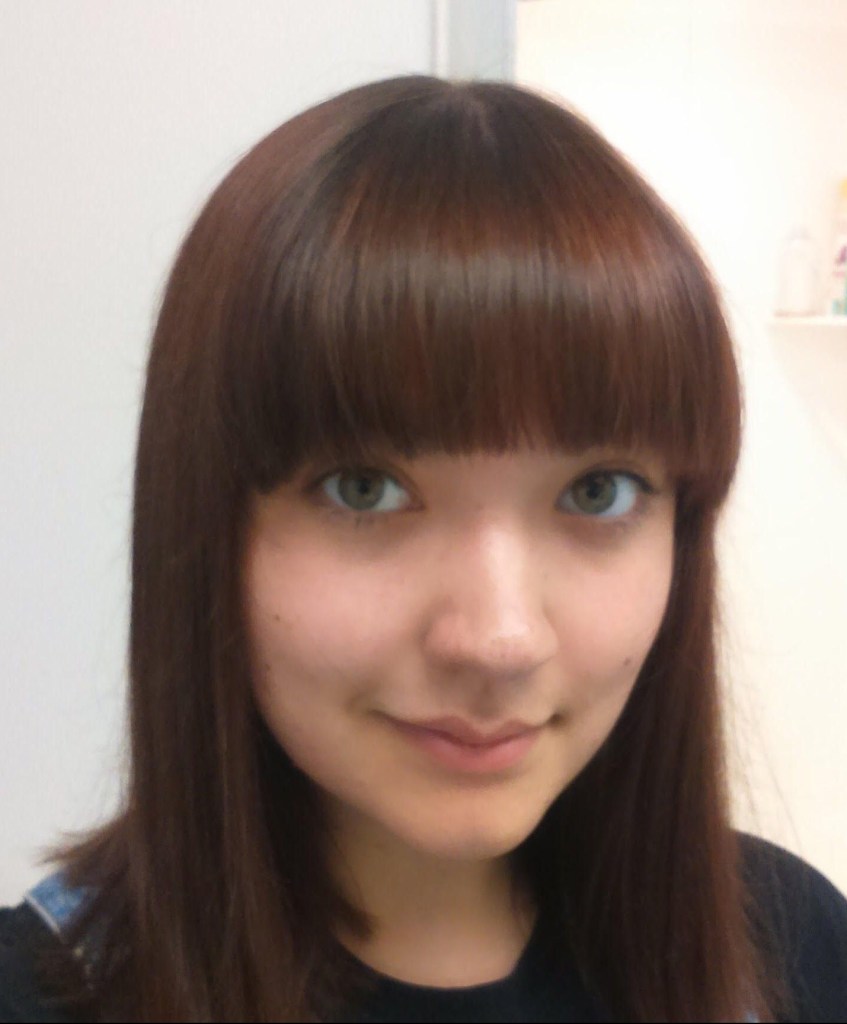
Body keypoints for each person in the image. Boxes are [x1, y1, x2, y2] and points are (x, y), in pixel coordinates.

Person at [1, 74, 846, 1024]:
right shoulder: (40, 994)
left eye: (595, 492)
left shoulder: (789, 953)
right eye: (364, 488)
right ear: (207, 528)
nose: (498, 639)